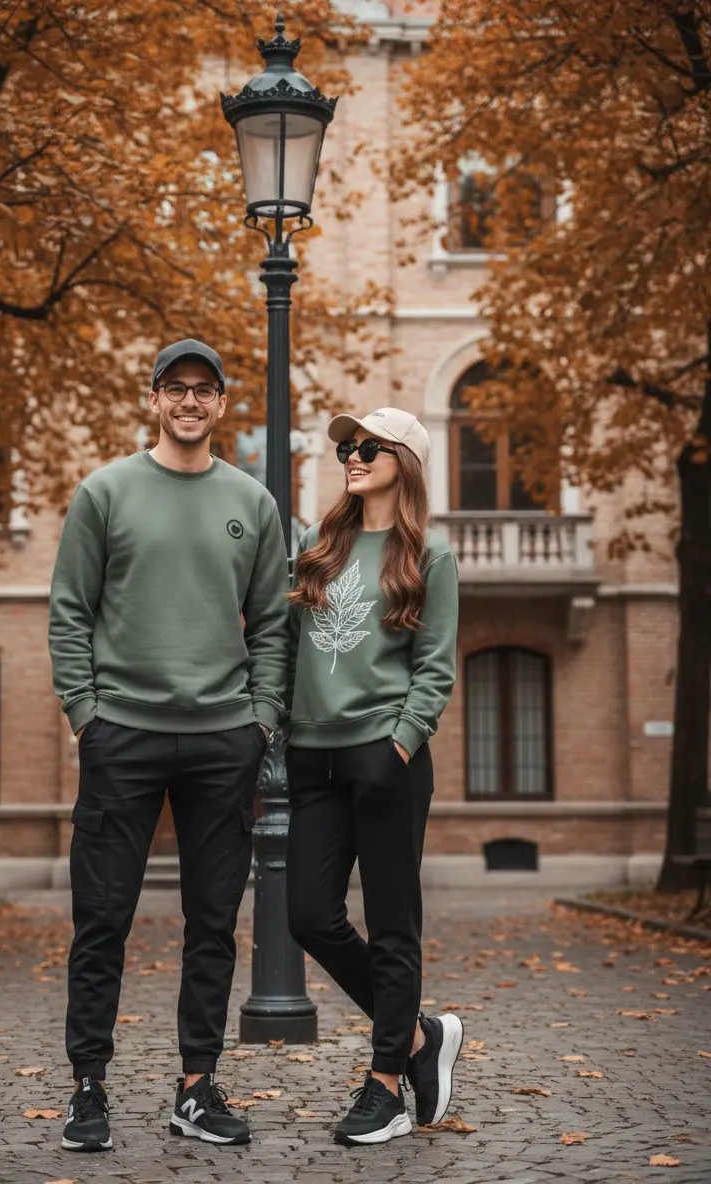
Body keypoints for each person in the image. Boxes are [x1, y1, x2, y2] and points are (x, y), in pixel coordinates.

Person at [48, 339, 288, 1152]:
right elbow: (70, 612)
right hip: (123, 738)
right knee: (102, 920)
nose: (189, 401)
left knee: (212, 922)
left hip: (223, 741)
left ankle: (197, 1086)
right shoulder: (104, 492)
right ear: (153, 399)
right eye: (175, 388)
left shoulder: (250, 502)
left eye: (204, 390)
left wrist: (258, 719)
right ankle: (88, 1088)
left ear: (222, 405)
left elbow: (275, 626)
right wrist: (87, 713)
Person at [285, 406, 462, 1146]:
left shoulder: (431, 555)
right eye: (346, 448)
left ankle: (386, 1083)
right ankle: (420, 1036)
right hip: (313, 758)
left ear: (404, 460)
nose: (351, 456)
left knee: (393, 927)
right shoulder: (320, 547)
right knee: (309, 916)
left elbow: (436, 667)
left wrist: (398, 747)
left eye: (367, 447)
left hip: (386, 757)